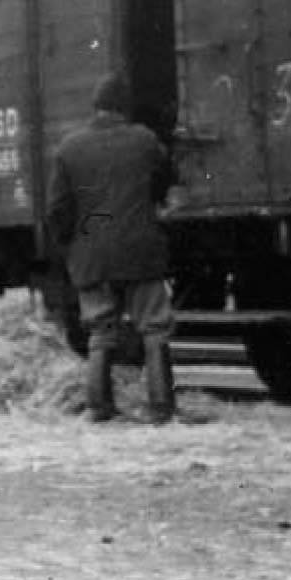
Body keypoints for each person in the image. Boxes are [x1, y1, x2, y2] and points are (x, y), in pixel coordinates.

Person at [46, 75, 176, 424]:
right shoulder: (144, 140)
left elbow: (57, 210)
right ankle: (161, 408)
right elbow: (165, 181)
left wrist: (71, 247)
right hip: (140, 251)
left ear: (96, 107)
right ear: (125, 108)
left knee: (101, 331)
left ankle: (99, 407)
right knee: (154, 327)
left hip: (91, 254)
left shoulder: (69, 147)